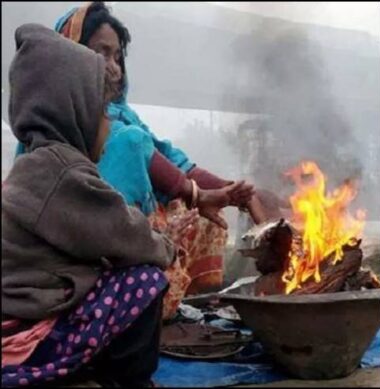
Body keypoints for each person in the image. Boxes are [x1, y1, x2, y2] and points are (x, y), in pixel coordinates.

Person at [25, 2, 290, 318]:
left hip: (118, 237)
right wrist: (195, 198)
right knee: (166, 213)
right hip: (78, 256)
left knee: (203, 219)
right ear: (69, 56)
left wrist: (239, 194)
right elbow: (139, 148)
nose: (113, 67)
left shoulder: (123, 115)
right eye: (101, 53)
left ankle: (166, 299)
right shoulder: (56, 124)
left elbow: (171, 160)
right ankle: (134, 298)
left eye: (118, 57)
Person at [1, 23, 192, 387]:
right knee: (143, 281)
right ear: (74, 111)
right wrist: (166, 247)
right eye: (103, 112)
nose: (109, 124)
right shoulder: (63, 171)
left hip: (25, 311)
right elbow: (124, 234)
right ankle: (126, 380)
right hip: (32, 333)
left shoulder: (38, 163)